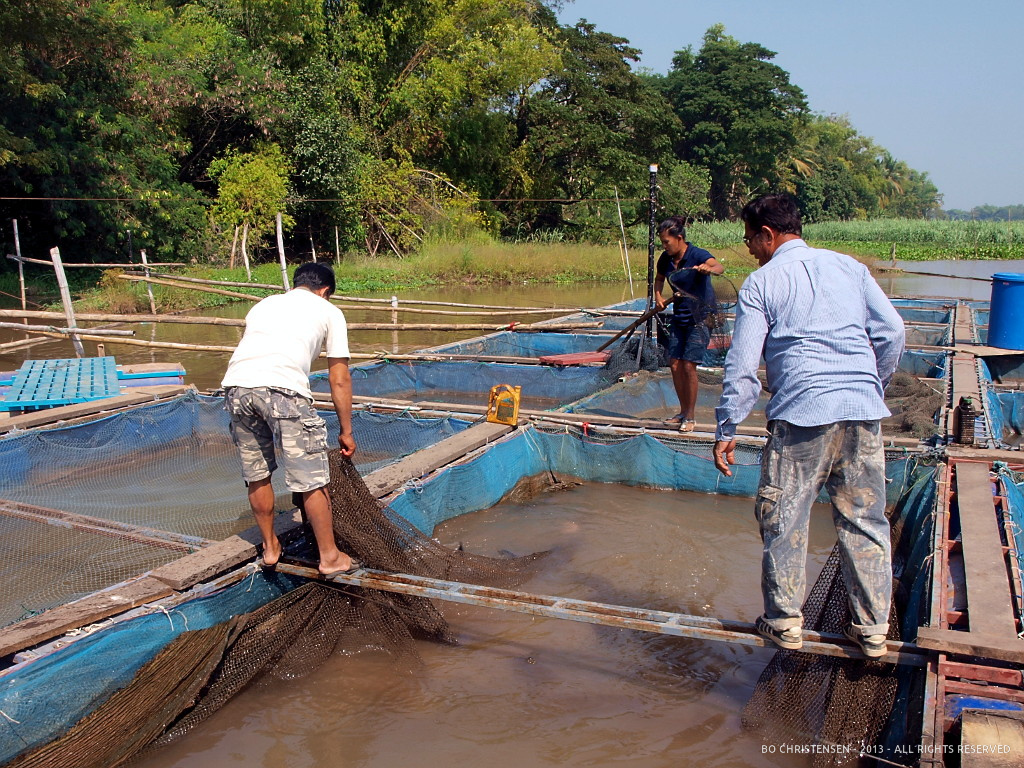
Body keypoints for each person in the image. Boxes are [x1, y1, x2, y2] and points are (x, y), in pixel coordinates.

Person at [712, 194, 905, 659]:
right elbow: (892, 332)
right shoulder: (850, 268)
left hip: (801, 413)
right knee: (865, 520)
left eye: (750, 239)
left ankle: (783, 621)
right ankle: (873, 629)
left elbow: (742, 364)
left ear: (767, 235)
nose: (749, 249)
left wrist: (727, 427)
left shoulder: (762, 283)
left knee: (785, 516)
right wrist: (868, 385)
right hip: (862, 411)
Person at [221, 262, 358, 576]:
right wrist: (346, 431)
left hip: (236, 388)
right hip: (283, 390)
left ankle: (270, 548)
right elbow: (339, 378)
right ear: (325, 291)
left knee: (256, 473)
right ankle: (330, 558)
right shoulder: (329, 311)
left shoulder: (263, 305)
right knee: (310, 477)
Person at [653, 216, 725, 432]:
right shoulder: (665, 259)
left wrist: (707, 269)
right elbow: (658, 279)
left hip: (701, 317)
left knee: (688, 365)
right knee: (674, 364)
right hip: (680, 315)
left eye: (667, 242)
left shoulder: (697, 254)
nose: (664, 246)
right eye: (662, 242)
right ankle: (683, 411)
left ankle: (691, 416)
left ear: (679, 238)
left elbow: (718, 266)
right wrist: (658, 297)